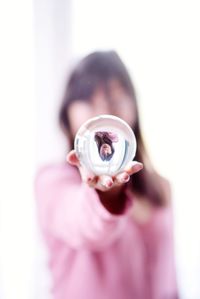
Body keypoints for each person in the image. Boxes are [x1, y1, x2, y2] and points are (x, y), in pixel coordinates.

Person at [34, 51, 179, 299]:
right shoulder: (52, 182)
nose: (104, 109)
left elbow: (167, 277)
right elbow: (83, 224)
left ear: (134, 106)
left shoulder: (160, 188)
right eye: (89, 99)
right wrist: (105, 195)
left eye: (115, 96)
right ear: (66, 115)